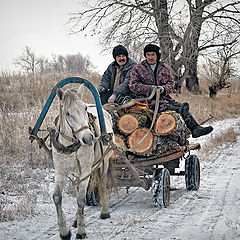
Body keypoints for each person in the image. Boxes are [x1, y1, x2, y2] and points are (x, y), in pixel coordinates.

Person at [129, 43, 213, 138]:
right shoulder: (138, 68)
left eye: (153, 54)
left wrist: (163, 89)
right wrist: (151, 88)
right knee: (176, 109)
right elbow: (133, 85)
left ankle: (195, 128)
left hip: (164, 98)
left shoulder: (164, 68)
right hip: (146, 101)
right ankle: (194, 128)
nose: (150, 57)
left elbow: (171, 84)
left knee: (183, 106)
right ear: (145, 55)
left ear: (157, 55)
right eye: (148, 55)